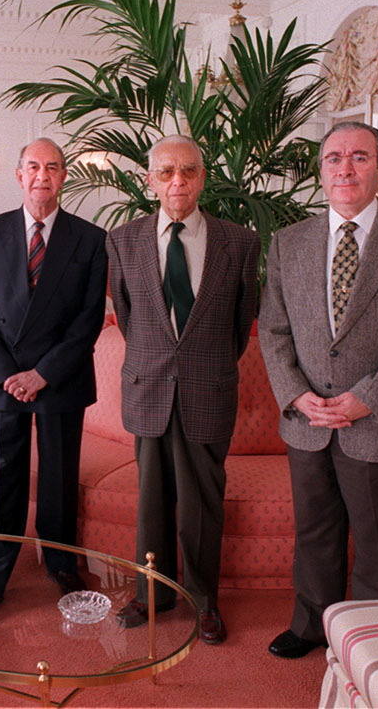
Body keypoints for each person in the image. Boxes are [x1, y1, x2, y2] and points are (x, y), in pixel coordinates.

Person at [258, 121, 378, 658]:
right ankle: (313, 624)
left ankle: (376, 637)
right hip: (308, 419)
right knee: (314, 532)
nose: (346, 168)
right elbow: (273, 328)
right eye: (334, 158)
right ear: (321, 171)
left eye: (360, 157)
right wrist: (296, 395)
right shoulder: (288, 242)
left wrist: (371, 396)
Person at [106, 135, 260, 645]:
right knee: (150, 498)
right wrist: (162, 358)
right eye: (167, 172)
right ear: (150, 180)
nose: (178, 181)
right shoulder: (123, 240)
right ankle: (150, 593)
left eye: (189, 171)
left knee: (201, 501)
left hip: (208, 387)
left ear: (202, 177)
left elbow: (241, 325)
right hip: (148, 387)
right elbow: (129, 318)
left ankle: (203, 599)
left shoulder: (239, 242)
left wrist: (202, 362)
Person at [0, 137, 108, 628]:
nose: (42, 175)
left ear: (64, 176)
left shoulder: (90, 239)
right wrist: (10, 375)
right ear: (18, 175)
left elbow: (88, 320)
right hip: (4, 381)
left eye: (52, 167)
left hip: (59, 379)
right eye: (32, 166)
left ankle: (62, 564)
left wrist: (42, 374)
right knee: (2, 481)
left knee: (60, 478)